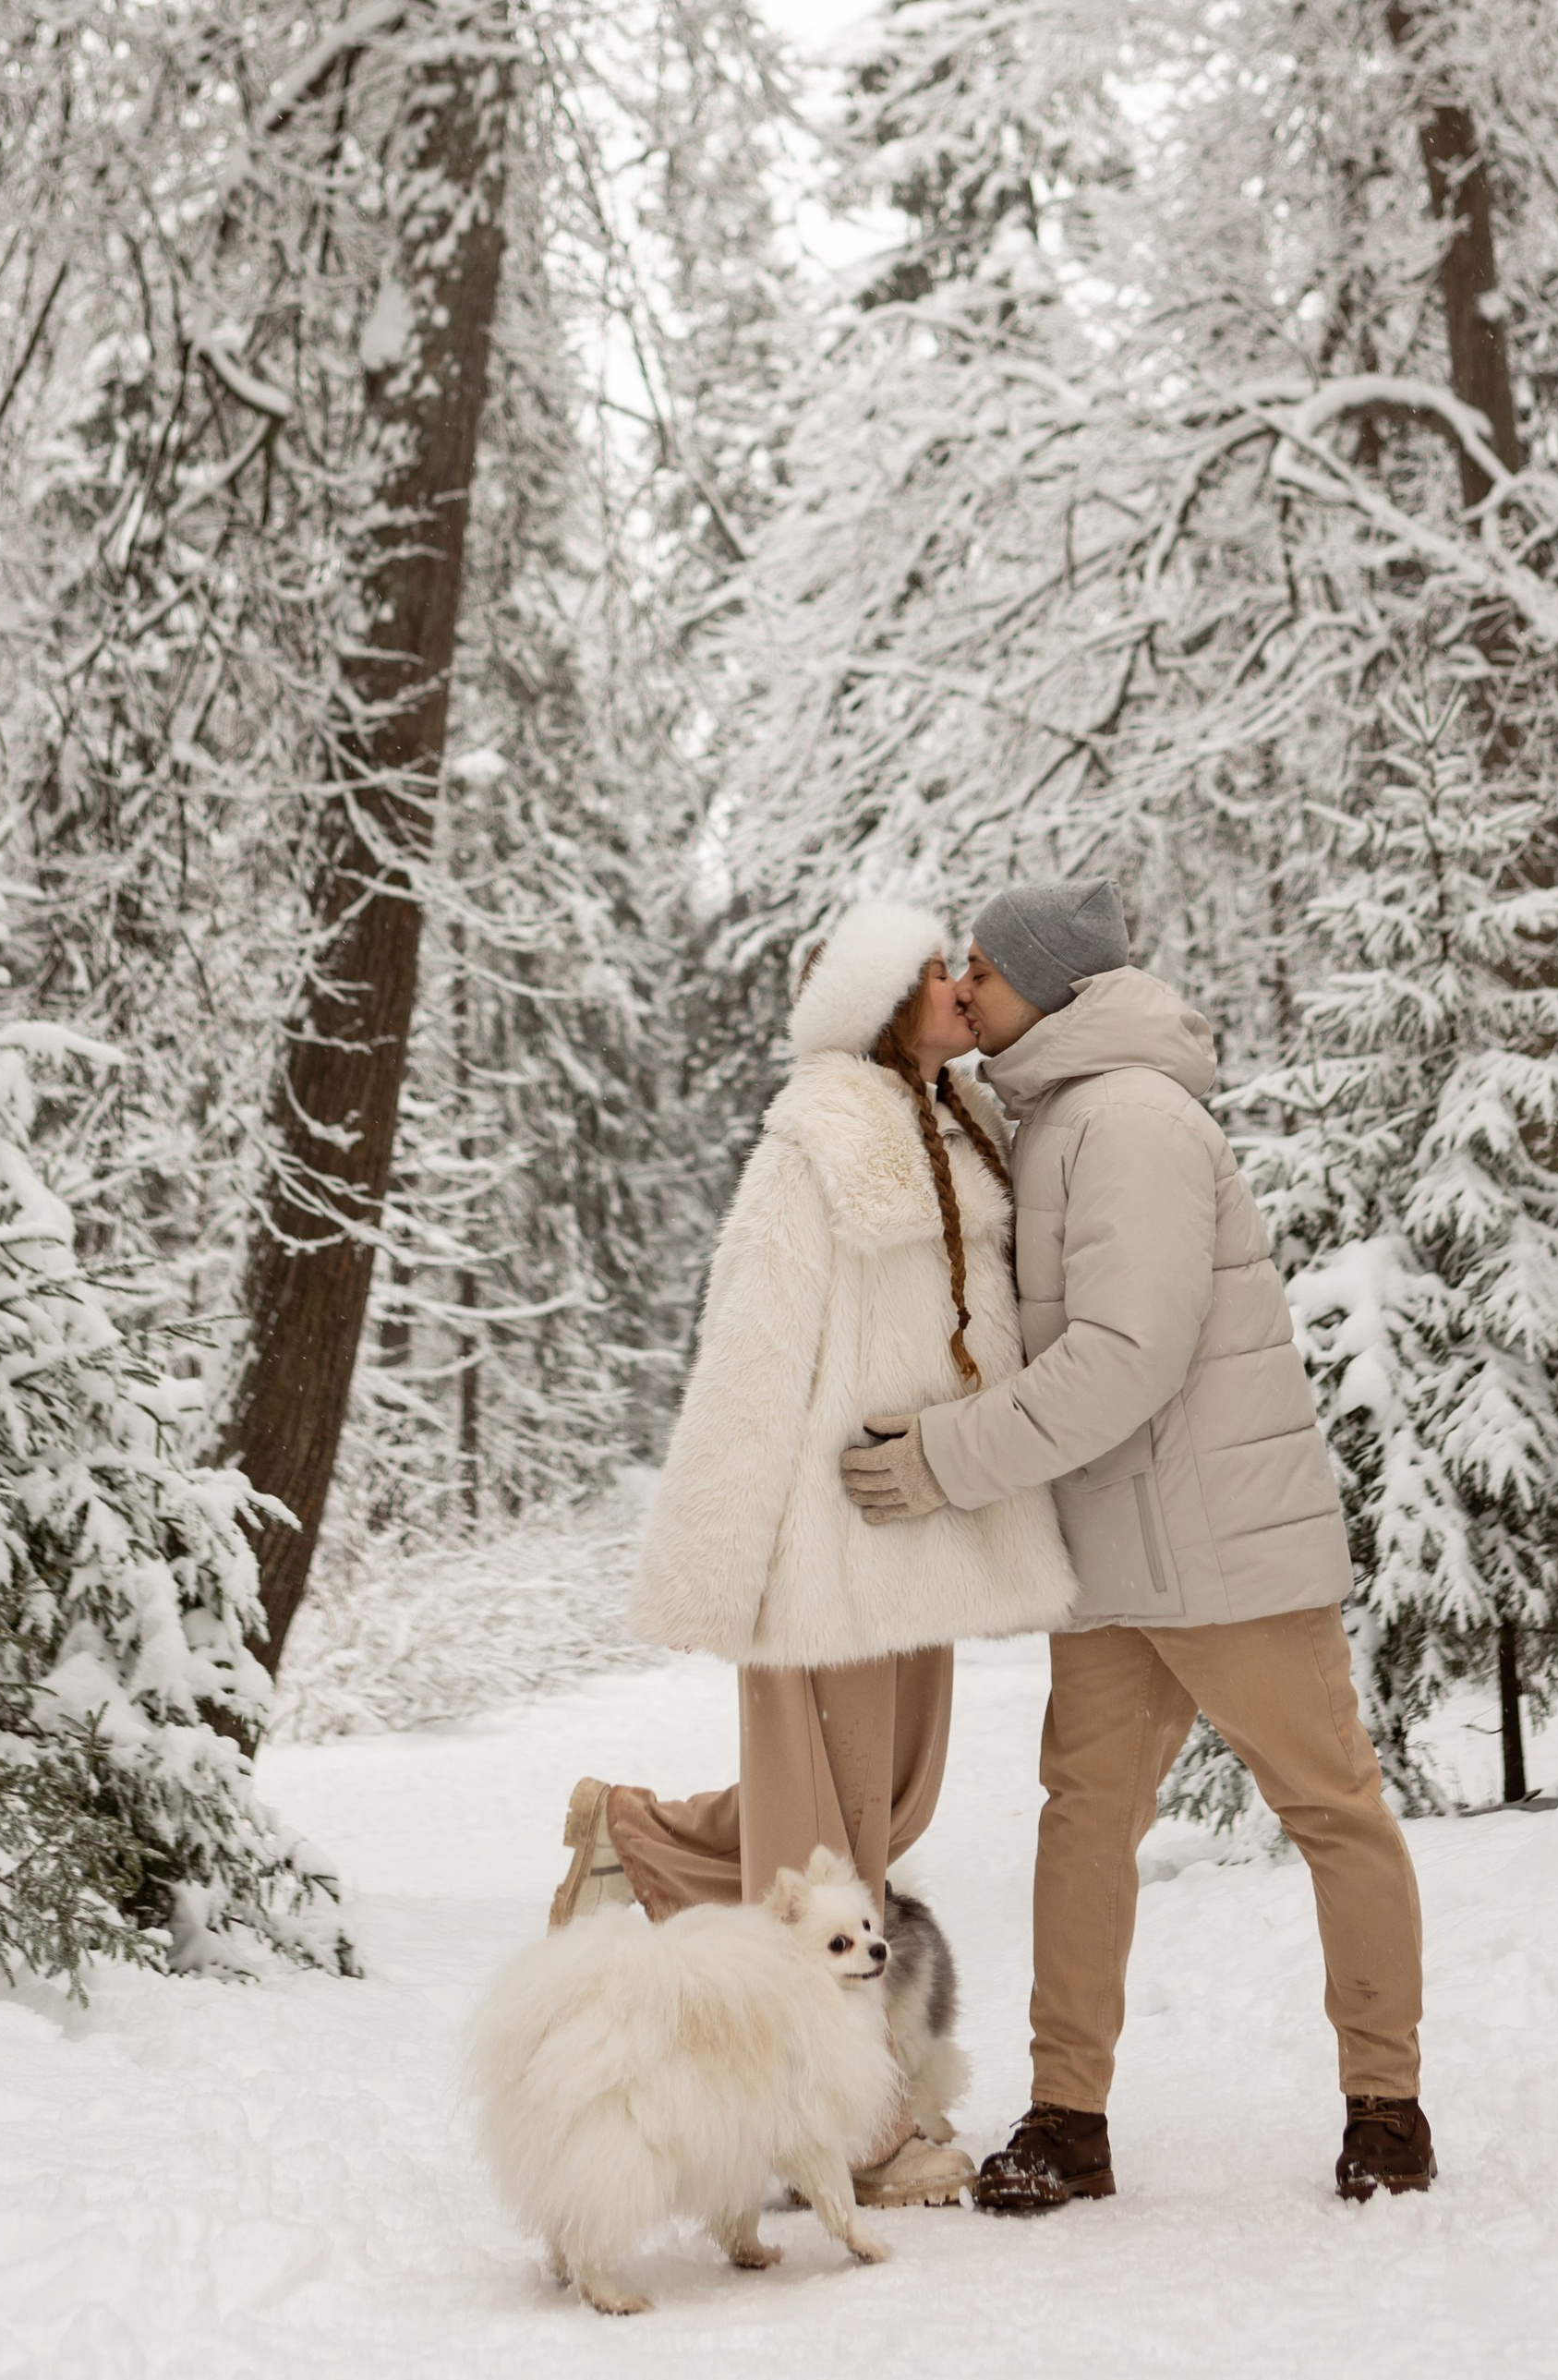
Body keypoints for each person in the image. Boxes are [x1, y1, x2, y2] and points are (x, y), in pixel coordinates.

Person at [840, 875, 1432, 2209]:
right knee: (1084, 1826)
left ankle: (1387, 2104)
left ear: (1051, 986)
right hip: (1113, 1559)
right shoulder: (1052, 1110)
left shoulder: (1133, 1122)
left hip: (1227, 1550)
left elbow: (1126, 1358)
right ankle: (1069, 2118)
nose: (967, 982)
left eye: (984, 964)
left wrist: (940, 1460)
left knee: (1331, 1810)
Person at [550, 898, 1077, 2206]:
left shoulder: (956, 1117)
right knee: (830, 1854)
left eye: (967, 966)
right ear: (882, 999)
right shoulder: (815, 1137)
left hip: (922, 1527)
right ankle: (850, 2132)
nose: (965, 983)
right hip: (828, 1538)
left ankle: (634, 1831)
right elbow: (750, 1351)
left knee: (883, 1810)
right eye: (938, 970)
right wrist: (725, 1562)